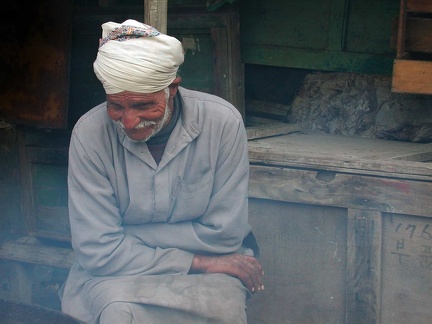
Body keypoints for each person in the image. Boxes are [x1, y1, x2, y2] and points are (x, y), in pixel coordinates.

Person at [60, 19, 264, 324]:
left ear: (172, 88)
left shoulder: (223, 123)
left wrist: (130, 238)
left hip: (205, 271)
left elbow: (224, 236)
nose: (129, 122)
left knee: (224, 312)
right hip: (119, 275)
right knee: (118, 314)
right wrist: (201, 261)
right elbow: (99, 251)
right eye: (116, 106)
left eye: (143, 105)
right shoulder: (89, 134)